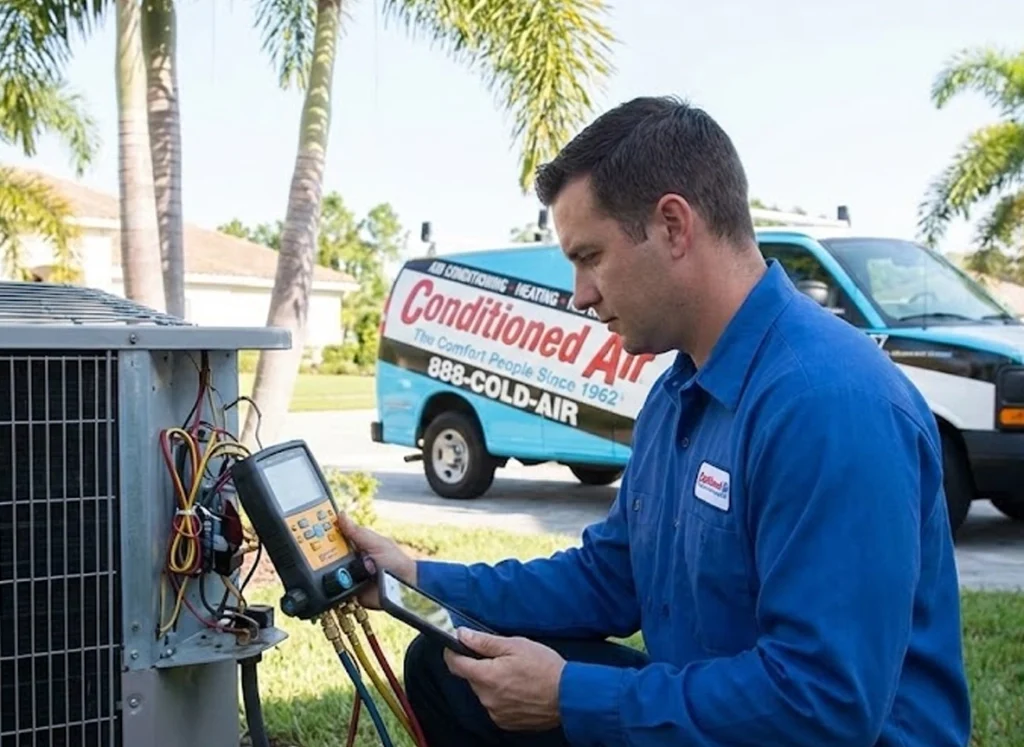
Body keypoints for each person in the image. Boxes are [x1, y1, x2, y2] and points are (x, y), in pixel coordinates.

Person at [338, 96, 972, 746]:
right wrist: (416, 575)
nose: (581, 294)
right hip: (726, 712)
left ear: (673, 225)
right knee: (451, 669)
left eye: (590, 256)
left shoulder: (827, 405)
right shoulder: (679, 390)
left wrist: (570, 695)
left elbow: (823, 704)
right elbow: (612, 577)